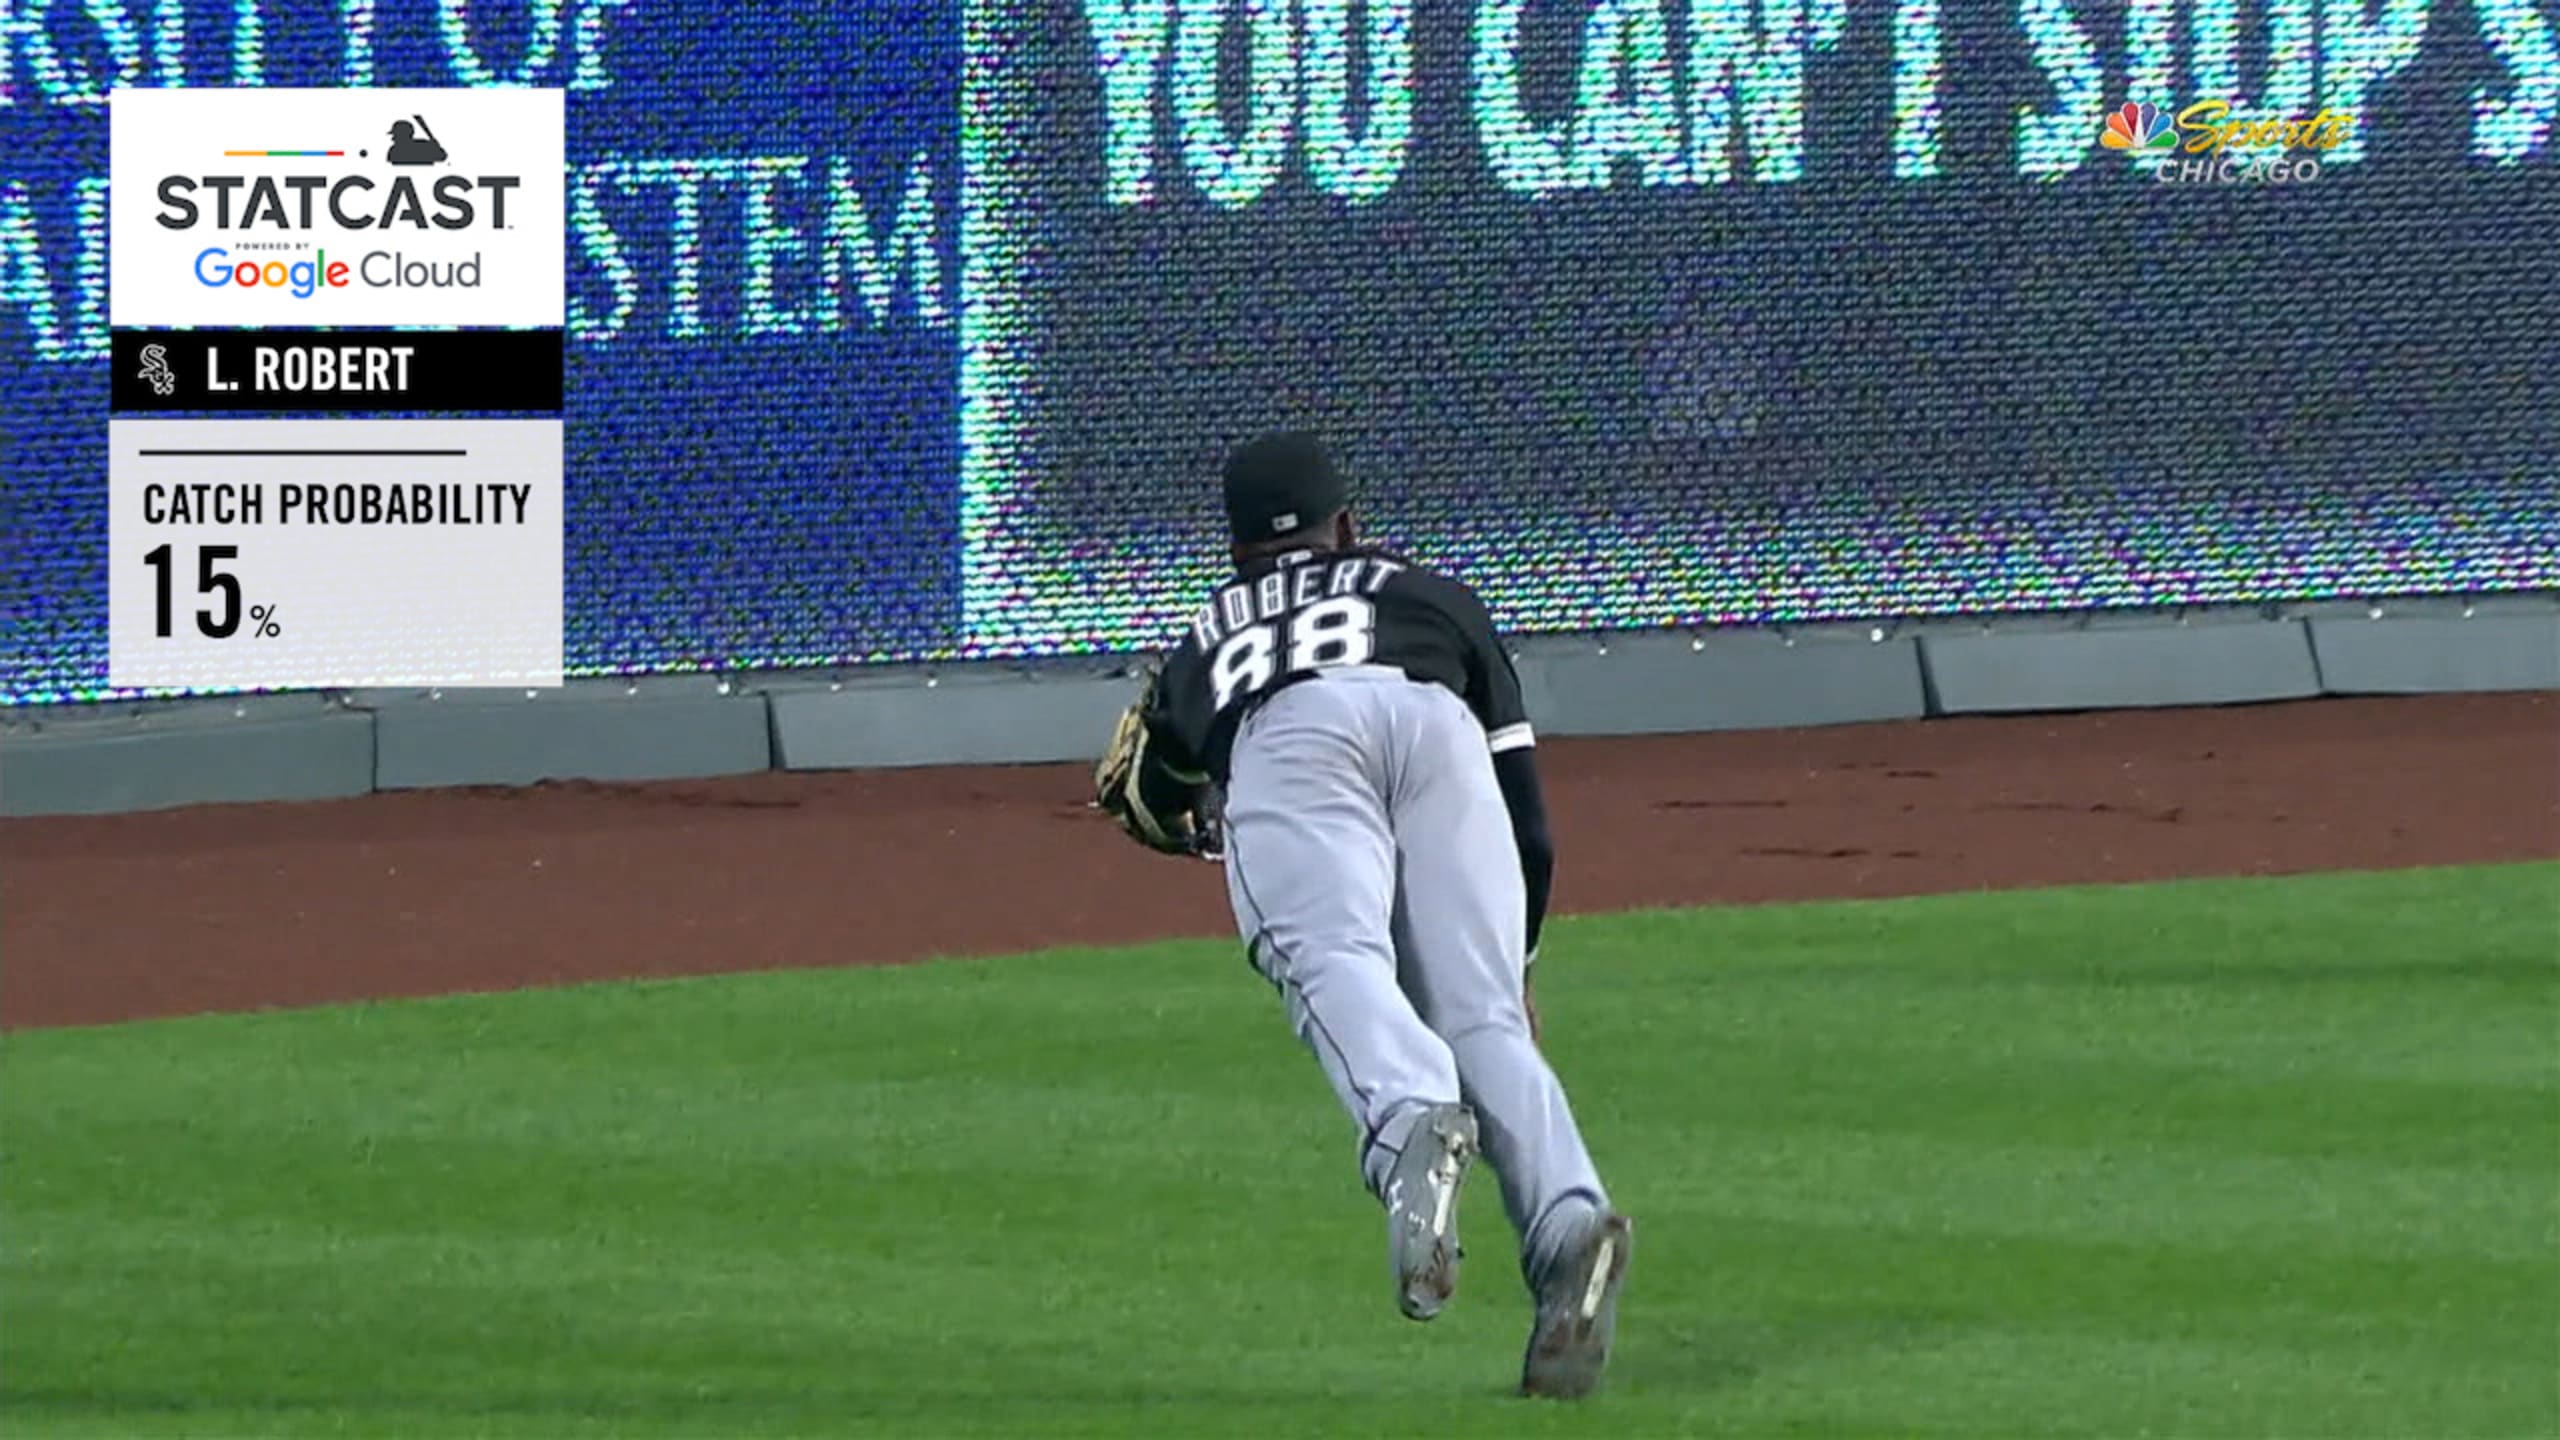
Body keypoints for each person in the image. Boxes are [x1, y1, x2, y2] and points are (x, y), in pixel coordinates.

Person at [1092, 430, 1631, 1399]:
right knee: (1483, 1017)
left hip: (1292, 733)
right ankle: (1566, 1227)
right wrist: (1521, 959)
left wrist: (1170, 793)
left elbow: (1157, 782)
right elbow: (1525, 810)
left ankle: (1407, 1119)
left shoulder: (1217, 622)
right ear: (1349, 526)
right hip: (1437, 730)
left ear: (1237, 550)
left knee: (1329, 957)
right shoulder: (1428, 592)